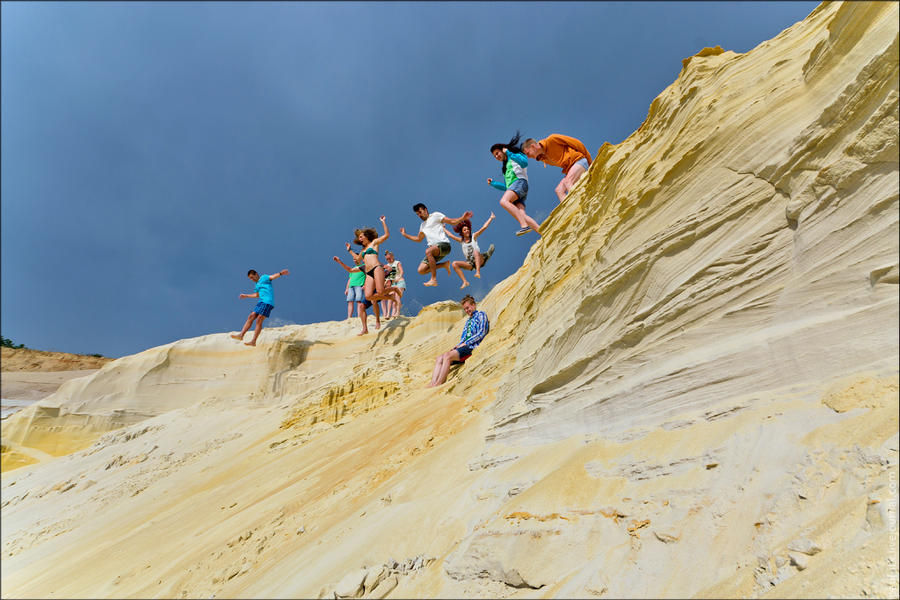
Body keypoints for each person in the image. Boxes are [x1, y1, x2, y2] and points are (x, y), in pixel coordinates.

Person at [399, 203, 473, 287]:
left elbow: (451, 221)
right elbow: (418, 239)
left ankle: (433, 279)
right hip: (435, 251)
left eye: (420, 212)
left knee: (428, 251)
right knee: (421, 270)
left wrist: (462, 218)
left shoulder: (435, 215)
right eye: (417, 214)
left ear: (425, 210)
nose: (419, 215)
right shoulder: (422, 226)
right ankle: (444, 264)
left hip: (444, 245)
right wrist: (405, 235)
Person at [427, 294, 489, 387]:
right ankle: (432, 383)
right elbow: (463, 338)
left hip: (470, 347)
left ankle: (439, 383)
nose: (467, 311)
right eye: (465, 309)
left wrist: (465, 343)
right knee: (440, 358)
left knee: (447, 356)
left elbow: (482, 332)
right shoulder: (468, 321)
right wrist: (458, 346)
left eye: (468, 308)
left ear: (473, 305)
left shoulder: (481, 315)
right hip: (463, 348)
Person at [487, 131, 541, 237]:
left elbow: (524, 162)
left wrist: (509, 153)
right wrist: (493, 183)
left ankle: (524, 226)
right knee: (521, 215)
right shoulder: (505, 167)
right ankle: (543, 232)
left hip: (520, 183)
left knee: (504, 201)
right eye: (495, 156)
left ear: (503, 149)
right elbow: (507, 187)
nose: (497, 156)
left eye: (497, 153)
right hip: (516, 189)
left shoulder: (514, 155)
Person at [346, 216, 390, 329]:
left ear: (366, 236)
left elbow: (386, 235)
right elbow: (357, 260)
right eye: (359, 237)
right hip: (369, 272)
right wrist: (350, 251)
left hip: (376, 268)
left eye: (361, 237)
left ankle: (392, 293)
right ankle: (390, 295)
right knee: (368, 296)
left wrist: (383, 222)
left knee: (380, 292)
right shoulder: (362, 251)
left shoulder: (374, 243)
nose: (360, 239)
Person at [522, 134, 593, 202]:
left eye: (528, 153)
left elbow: (577, 143)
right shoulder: (544, 158)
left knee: (568, 182)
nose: (528, 157)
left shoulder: (552, 139)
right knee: (559, 190)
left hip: (579, 161)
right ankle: (570, 210)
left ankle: (582, 202)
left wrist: (590, 165)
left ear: (533, 146)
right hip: (572, 169)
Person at [231, 268, 290, 346]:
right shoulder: (256, 285)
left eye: (252, 277)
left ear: (256, 274)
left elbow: (272, 277)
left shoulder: (264, 277)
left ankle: (253, 341)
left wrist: (280, 273)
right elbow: (257, 295)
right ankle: (241, 335)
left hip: (267, 302)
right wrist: (246, 295)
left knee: (259, 320)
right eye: (250, 279)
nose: (252, 279)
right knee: (251, 316)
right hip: (261, 302)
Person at [443, 212, 496, 288]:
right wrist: (443, 228)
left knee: (475, 252)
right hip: (470, 263)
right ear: (462, 232)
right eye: (465, 230)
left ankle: (478, 271)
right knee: (454, 264)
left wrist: (491, 218)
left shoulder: (473, 237)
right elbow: (450, 235)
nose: (467, 230)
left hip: (480, 259)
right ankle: (465, 282)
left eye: (468, 229)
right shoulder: (461, 241)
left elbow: (483, 228)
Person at [333, 256, 370, 335]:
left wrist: (365, 284)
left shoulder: (363, 267)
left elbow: (367, 276)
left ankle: (359, 316)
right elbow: (349, 279)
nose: (355, 260)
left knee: (358, 301)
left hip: (359, 285)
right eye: (354, 259)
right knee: (350, 301)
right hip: (351, 286)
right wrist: (346, 288)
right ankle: (349, 317)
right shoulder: (353, 269)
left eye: (356, 259)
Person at [383, 250, 406, 317]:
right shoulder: (387, 265)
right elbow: (387, 276)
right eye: (387, 259)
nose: (388, 260)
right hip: (392, 283)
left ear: (392, 257)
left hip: (400, 282)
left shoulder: (397, 262)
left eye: (389, 258)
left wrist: (399, 277)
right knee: (391, 298)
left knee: (397, 297)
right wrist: (385, 283)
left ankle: (397, 312)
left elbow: (401, 271)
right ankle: (388, 314)